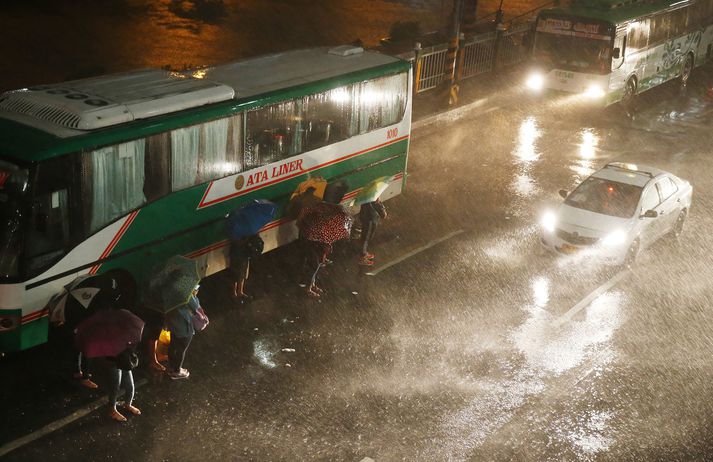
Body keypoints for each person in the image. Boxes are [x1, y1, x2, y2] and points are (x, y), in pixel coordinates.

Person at [164, 288, 200, 379]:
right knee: (181, 349)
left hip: (173, 324)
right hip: (184, 325)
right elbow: (196, 307)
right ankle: (177, 370)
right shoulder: (185, 291)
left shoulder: (167, 292)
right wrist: (194, 295)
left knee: (173, 345)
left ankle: (172, 366)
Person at [108, 344, 141, 422]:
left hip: (125, 356)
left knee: (130, 385)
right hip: (114, 359)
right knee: (115, 386)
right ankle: (112, 409)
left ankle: (128, 404)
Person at [229, 235, 264, 302]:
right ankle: (236, 293)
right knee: (238, 274)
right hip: (240, 254)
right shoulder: (243, 232)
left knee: (239, 274)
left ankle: (237, 292)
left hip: (239, 254)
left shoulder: (236, 231)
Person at [358, 199, 388, 266]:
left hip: (365, 216)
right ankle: (362, 257)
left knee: (365, 236)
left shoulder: (368, 193)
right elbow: (382, 212)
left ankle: (364, 253)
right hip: (370, 219)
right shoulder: (373, 195)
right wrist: (382, 211)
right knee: (366, 238)